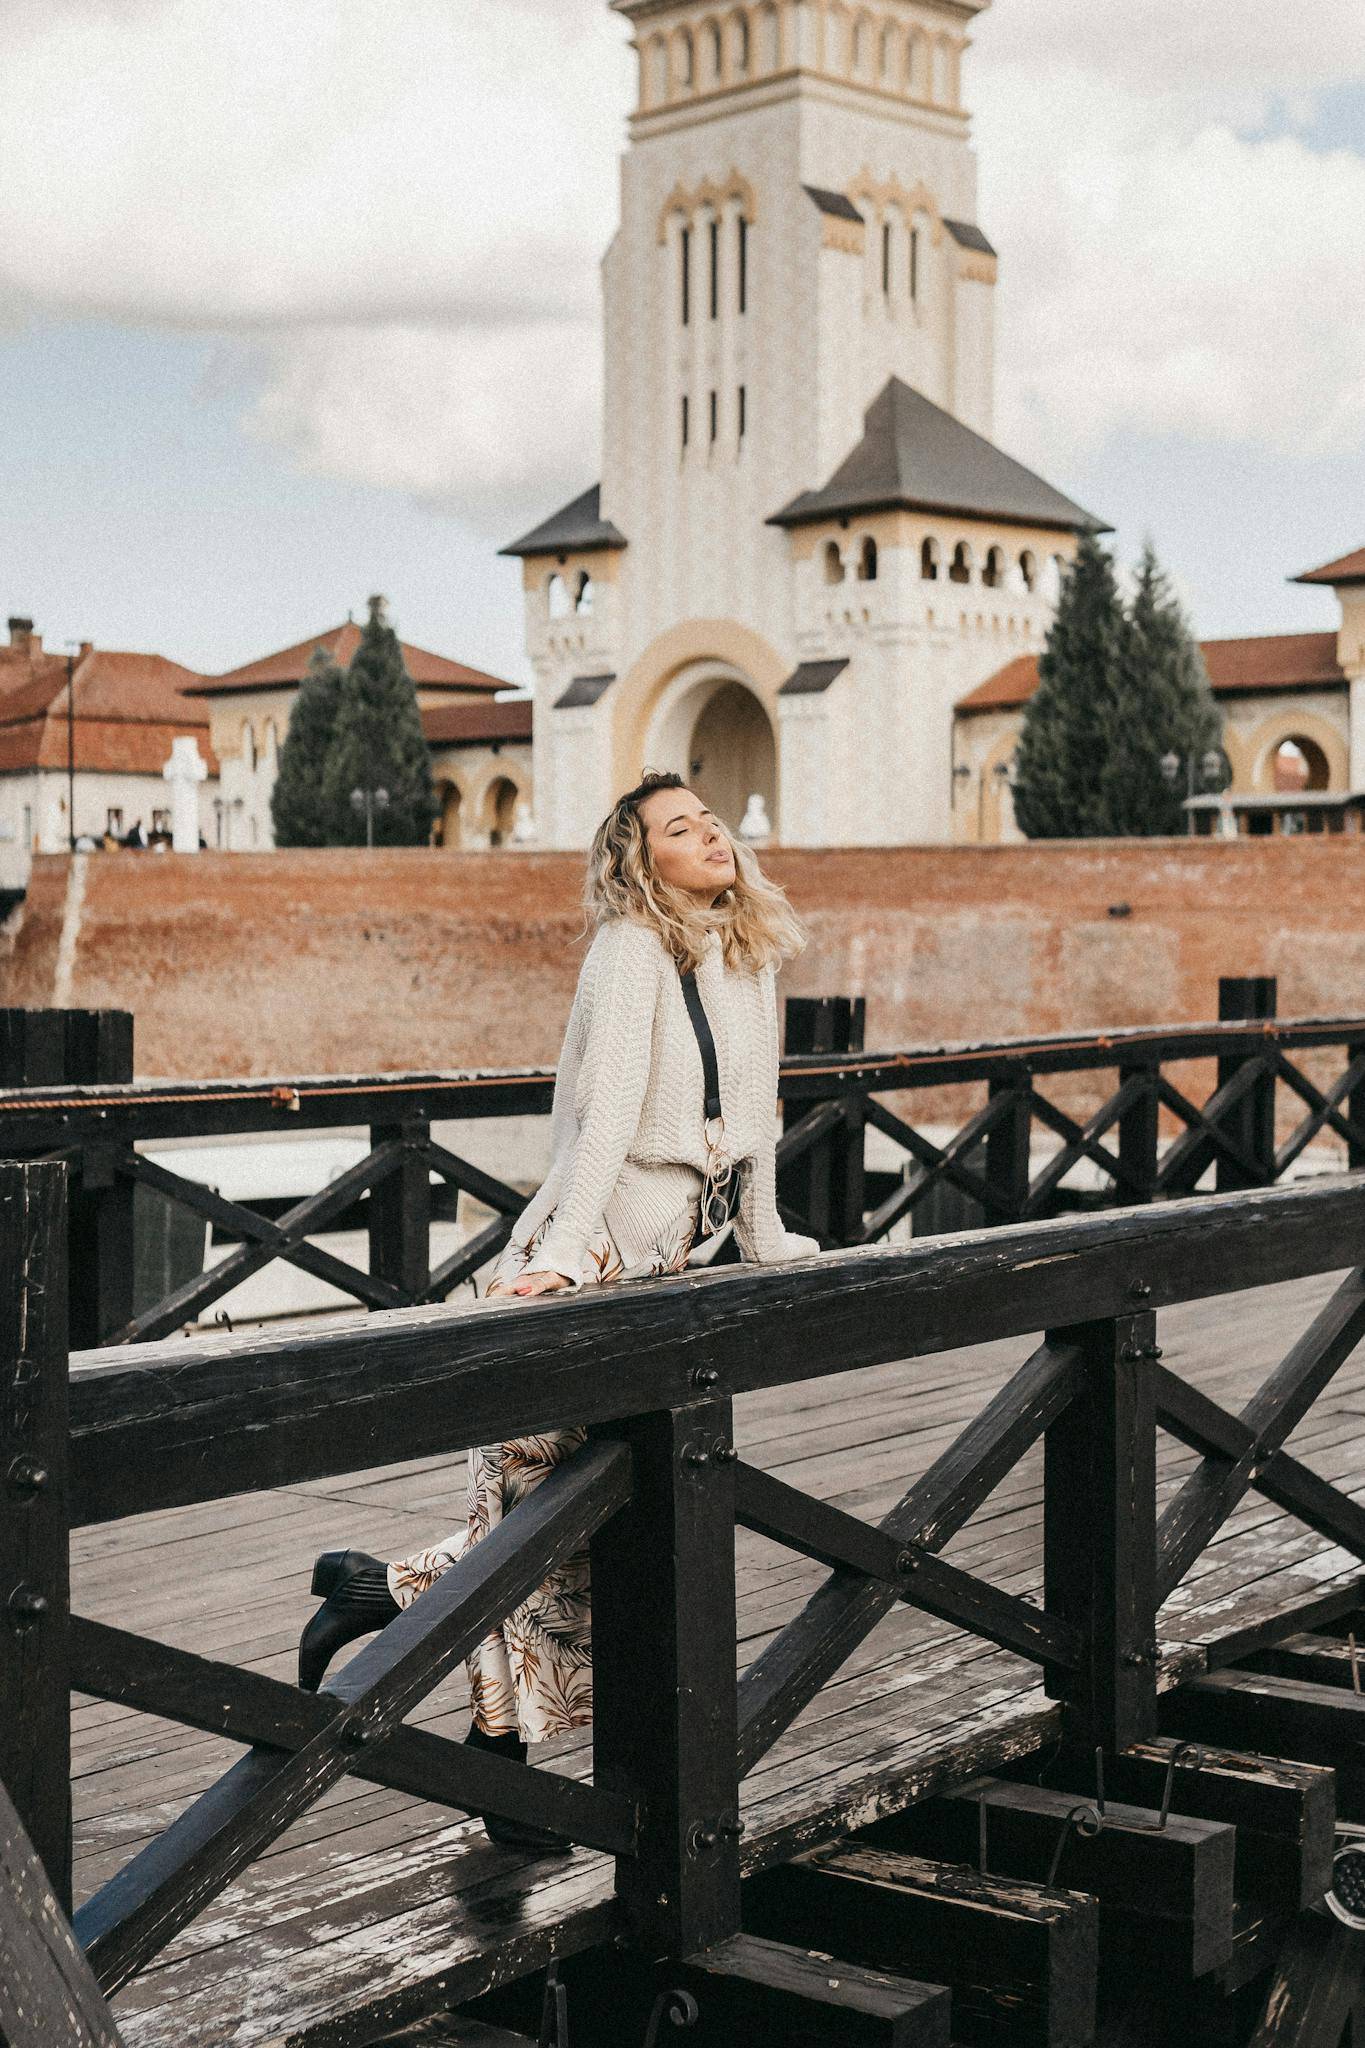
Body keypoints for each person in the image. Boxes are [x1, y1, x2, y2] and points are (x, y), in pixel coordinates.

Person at [296, 769, 822, 1848]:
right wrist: (562, 1258)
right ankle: (499, 1763)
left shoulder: (750, 949)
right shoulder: (633, 948)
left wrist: (766, 1240)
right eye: (681, 828)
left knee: (568, 1515)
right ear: (642, 861)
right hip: (589, 1251)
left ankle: (377, 1595)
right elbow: (604, 1118)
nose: (710, 834)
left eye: (712, 818)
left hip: (670, 1258)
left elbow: (757, 1113)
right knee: (538, 1519)